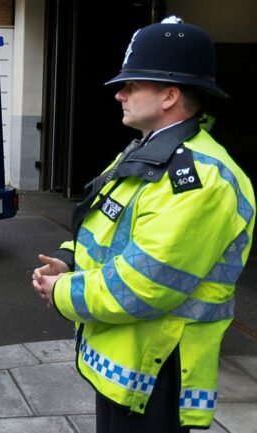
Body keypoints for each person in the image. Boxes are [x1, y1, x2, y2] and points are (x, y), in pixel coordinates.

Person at [31, 17, 255, 433]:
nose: (119, 94)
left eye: (132, 84)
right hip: (125, 370)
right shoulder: (147, 152)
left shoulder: (203, 178)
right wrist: (68, 260)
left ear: (170, 95)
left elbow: (143, 286)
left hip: (157, 376)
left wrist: (63, 291)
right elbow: (99, 224)